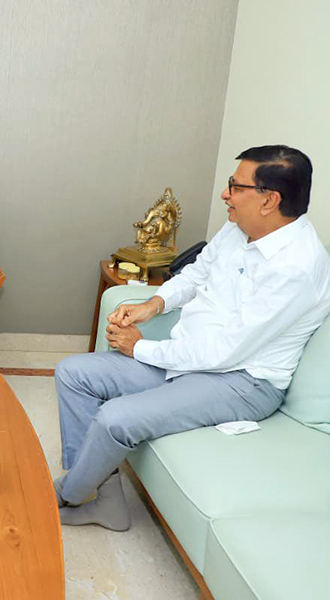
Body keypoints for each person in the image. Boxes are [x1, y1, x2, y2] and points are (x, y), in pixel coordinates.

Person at [55, 145, 330, 531]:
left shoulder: (296, 268)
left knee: (115, 419)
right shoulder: (239, 228)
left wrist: (141, 347)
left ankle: (67, 493)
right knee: (73, 374)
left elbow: (225, 351)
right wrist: (153, 304)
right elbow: (197, 273)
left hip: (241, 382)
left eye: (235, 186)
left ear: (269, 200)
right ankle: (106, 500)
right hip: (191, 360)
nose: (225, 194)